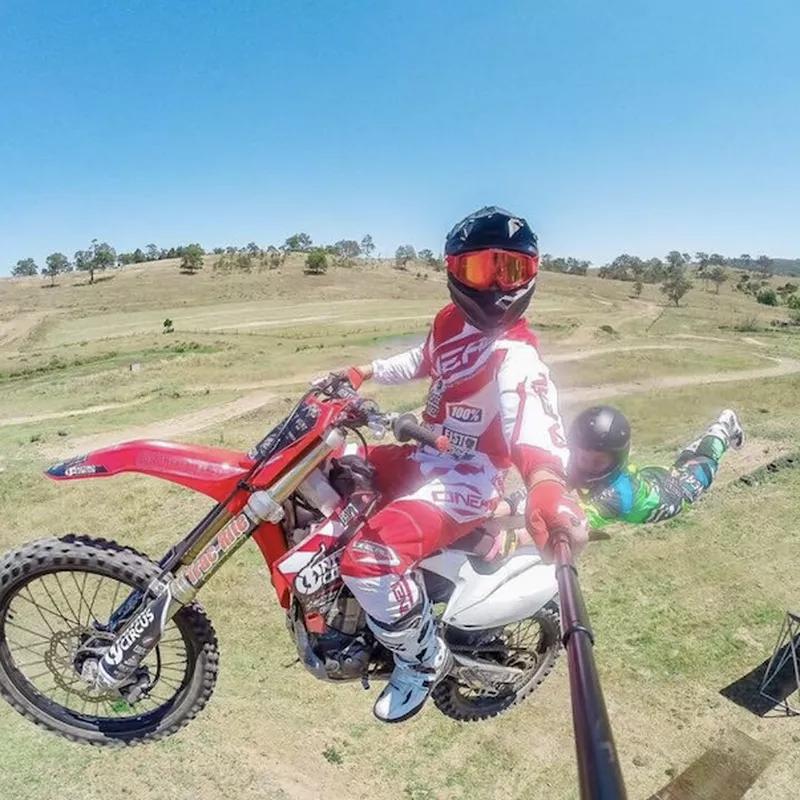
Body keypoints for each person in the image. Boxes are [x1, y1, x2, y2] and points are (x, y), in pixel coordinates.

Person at [326, 206, 588, 723]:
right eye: (478, 270)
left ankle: (420, 661)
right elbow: (423, 360)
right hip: (427, 453)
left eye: (511, 271)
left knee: (368, 558)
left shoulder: (517, 353)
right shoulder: (449, 321)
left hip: (471, 476)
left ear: (532, 275)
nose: (495, 287)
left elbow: (530, 411)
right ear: (453, 271)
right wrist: (364, 370)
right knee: (335, 463)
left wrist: (544, 479)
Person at [566, 405, 745, 528]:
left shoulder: (616, 496)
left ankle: (724, 425)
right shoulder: (594, 467)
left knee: (707, 461)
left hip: (676, 494)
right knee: (687, 462)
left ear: (616, 459)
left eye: (597, 462)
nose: (587, 467)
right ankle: (703, 442)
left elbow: (579, 519)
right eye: (582, 458)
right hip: (651, 478)